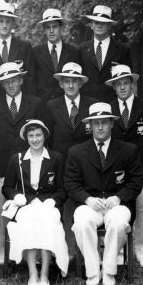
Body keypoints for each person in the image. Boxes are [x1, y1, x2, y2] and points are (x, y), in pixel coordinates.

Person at [65, 102, 143, 285]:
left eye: (104, 122)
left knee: (117, 223)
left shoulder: (128, 150)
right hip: (89, 204)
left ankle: (109, 270)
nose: (100, 127)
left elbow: (136, 181)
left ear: (112, 124)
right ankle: (92, 272)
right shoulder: (76, 152)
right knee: (82, 222)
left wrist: (119, 197)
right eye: (96, 123)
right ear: (90, 126)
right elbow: (70, 183)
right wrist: (87, 198)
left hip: (117, 204)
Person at [0, 61, 42, 264]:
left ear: (21, 80)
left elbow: (41, 137)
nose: (11, 84)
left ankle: (29, 251)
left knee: (30, 209)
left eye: (14, 80)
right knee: (3, 210)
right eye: (7, 81)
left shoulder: (35, 103)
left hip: (30, 165)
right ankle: (3, 251)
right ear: (2, 84)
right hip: (1, 166)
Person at [2, 120, 69, 285]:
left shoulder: (56, 158)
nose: (35, 139)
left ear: (45, 136)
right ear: (26, 138)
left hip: (48, 205)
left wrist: (53, 201)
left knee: (48, 220)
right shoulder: (16, 159)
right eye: (30, 136)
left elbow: (63, 188)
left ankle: (45, 273)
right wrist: (16, 195)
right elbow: (7, 187)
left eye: (38, 135)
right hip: (26, 206)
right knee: (27, 221)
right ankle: (33, 272)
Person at [106, 65, 143, 268]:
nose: (122, 87)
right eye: (118, 84)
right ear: (113, 86)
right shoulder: (109, 109)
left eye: (125, 83)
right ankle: (119, 253)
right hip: (117, 172)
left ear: (132, 84)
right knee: (119, 212)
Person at [43, 62, 97, 258]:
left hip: (88, 166)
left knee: (85, 207)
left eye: (75, 81)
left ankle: (87, 251)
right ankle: (68, 251)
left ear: (81, 84)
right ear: (61, 84)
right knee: (64, 209)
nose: (71, 85)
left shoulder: (92, 105)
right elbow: (47, 138)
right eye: (67, 81)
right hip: (62, 166)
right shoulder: (51, 106)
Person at [0, 1, 35, 99]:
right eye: (1, 21)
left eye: (8, 21)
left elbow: (30, 80)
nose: (4, 25)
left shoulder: (25, 47)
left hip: (20, 103)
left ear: (13, 23)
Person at [78, 5, 131, 102]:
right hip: (87, 106)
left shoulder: (123, 50)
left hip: (114, 105)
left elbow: (129, 81)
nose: (99, 25)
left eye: (103, 22)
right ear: (91, 25)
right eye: (96, 22)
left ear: (110, 25)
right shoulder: (81, 50)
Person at [34, 9, 79, 105]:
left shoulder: (74, 52)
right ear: (44, 30)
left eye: (54, 27)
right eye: (47, 27)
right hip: (42, 106)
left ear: (61, 28)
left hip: (66, 107)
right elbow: (31, 82)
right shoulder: (35, 52)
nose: (51, 31)